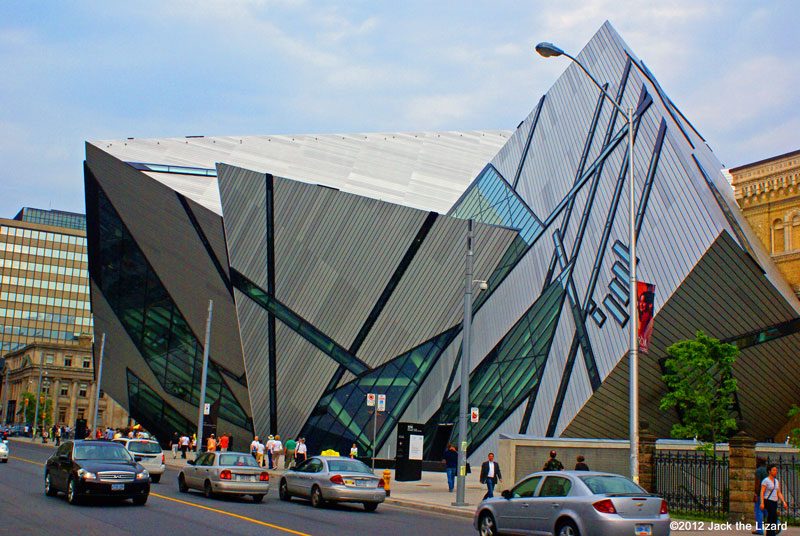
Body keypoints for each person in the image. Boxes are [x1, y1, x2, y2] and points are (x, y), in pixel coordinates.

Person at [760, 463, 788, 536]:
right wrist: (762, 503)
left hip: (774, 501)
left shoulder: (776, 481)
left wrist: (784, 502)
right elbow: (762, 492)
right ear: (769, 471)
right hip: (768, 500)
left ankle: (769, 533)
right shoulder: (765, 481)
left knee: (770, 517)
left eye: (776, 470)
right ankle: (771, 533)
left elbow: (779, 492)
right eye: (773, 470)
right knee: (773, 516)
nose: (775, 471)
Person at [753, 457, 768, 535]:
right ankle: (776, 523)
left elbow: (757, 483)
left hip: (761, 494)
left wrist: (756, 494)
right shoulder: (768, 470)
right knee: (766, 510)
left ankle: (759, 529)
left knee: (758, 511)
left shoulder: (758, 471)